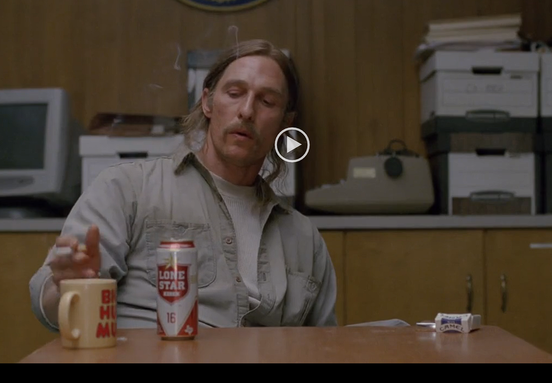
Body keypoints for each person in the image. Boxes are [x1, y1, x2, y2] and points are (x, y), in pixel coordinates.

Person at [29, 39, 337, 331]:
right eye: (234, 93)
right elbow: (49, 306)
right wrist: (69, 284)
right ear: (207, 102)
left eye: (267, 101)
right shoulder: (127, 188)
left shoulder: (304, 239)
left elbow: (325, 345)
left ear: (285, 122)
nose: (246, 111)